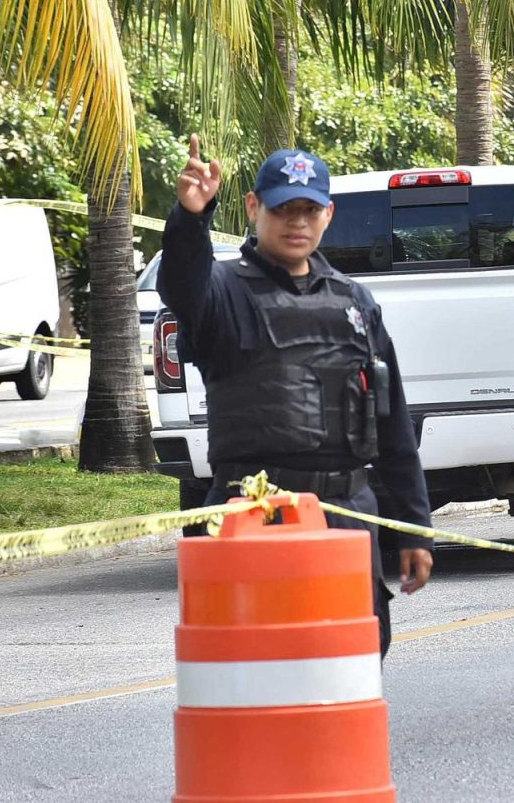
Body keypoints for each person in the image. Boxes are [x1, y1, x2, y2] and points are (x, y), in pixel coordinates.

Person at [160, 137, 433, 656]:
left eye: (309, 209)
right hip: (252, 513)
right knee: (255, 672)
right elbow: (181, 283)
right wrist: (190, 218)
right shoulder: (221, 291)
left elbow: (393, 422)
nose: (297, 222)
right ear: (253, 208)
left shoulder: (355, 302)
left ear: (328, 214)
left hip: (348, 512)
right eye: (284, 208)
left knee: (352, 663)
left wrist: (416, 528)